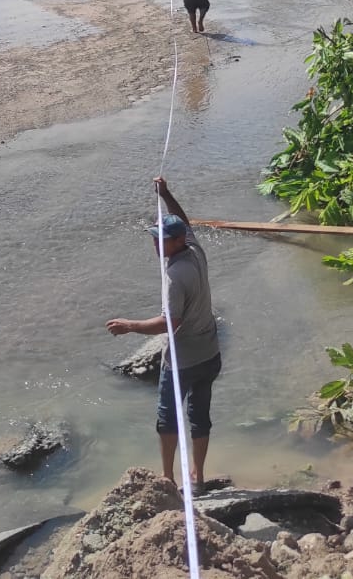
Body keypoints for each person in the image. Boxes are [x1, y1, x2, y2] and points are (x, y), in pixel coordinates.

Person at [107, 177, 221, 492]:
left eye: (160, 239)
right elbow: (183, 220)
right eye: (154, 238)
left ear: (175, 242)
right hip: (211, 355)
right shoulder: (195, 248)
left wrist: (129, 326)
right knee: (200, 416)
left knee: (167, 419)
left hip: (183, 362)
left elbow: (169, 323)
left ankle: (168, 480)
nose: (155, 244)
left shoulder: (174, 276)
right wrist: (166, 194)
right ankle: (198, 477)